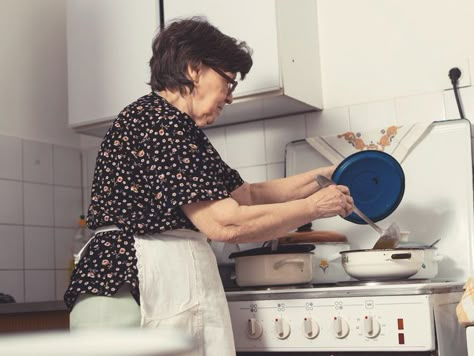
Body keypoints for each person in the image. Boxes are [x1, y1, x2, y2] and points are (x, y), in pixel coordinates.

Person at [64, 17, 353, 355]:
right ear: (194, 69)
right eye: (228, 82)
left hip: (129, 290)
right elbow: (224, 222)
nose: (229, 97)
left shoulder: (175, 128)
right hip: (126, 292)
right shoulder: (160, 123)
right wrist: (315, 207)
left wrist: (326, 176)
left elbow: (248, 195)